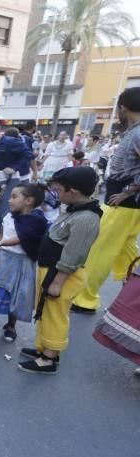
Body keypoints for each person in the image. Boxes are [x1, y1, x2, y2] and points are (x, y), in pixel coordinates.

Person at [17, 167, 101, 375]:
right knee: (45, 310)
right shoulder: (74, 208)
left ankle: (49, 358)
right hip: (51, 270)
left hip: (61, 275)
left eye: (58, 190)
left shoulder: (86, 219)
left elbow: (74, 254)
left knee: (55, 314)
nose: (55, 195)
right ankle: (43, 347)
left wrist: (57, 282)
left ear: (73, 191)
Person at [72, 87, 140, 314]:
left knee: (100, 248)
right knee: (126, 252)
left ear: (123, 108)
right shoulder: (135, 132)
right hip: (128, 204)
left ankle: (85, 299)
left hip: (123, 203)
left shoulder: (138, 133)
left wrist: (127, 192)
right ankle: (134, 292)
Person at [0, 183, 47, 342]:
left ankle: (11, 326)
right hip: (3, 259)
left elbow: (21, 238)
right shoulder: (9, 216)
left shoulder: (37, 220)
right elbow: (2, 232)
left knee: (17, 294)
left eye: (14, 197)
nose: (9, 200)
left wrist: (0, 243)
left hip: (23, 262)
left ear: (28, 201)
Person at [0, 119, 35, 219]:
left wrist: (14, 167)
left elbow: (29, 155)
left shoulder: (10, 142)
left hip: (10, 180)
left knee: (4, 211)